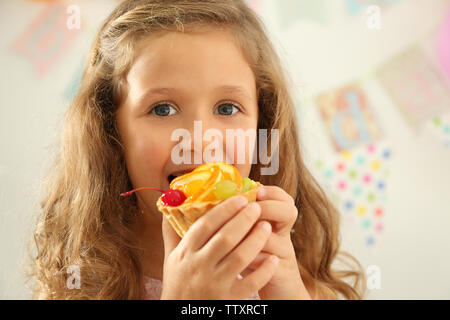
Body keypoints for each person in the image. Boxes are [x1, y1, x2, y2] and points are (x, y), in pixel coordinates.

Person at [28, 0, 366, 300]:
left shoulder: (297, 280)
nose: (201, 140)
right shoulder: (78, 286)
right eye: (163, 109)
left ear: (261, 127)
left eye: (227, 108)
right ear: (111, 131)